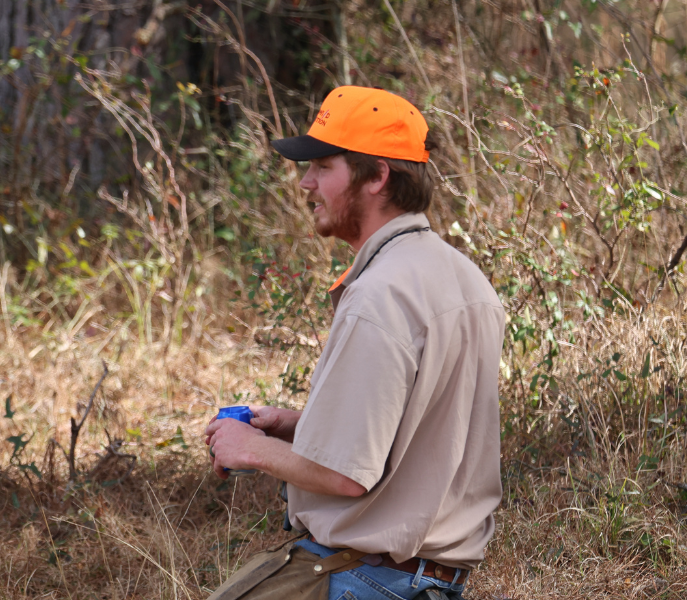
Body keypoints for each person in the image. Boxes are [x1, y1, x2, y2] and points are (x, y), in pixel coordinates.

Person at [203, 87, 503, 600]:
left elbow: (345, 477)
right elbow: (422, 427)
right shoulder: (465, 279)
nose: (305, 183)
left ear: (378, 175)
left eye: (323, 166)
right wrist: (300, 423)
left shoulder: (380, 295)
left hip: (368, 579)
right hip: (432, 581)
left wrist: (251, 448)